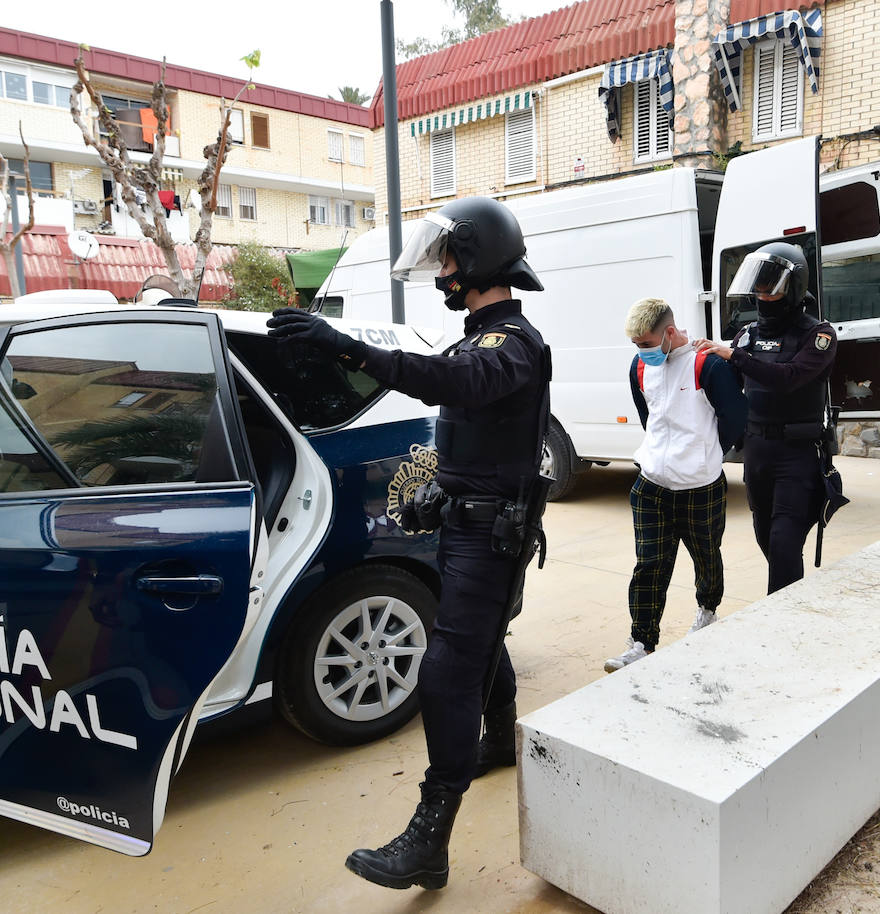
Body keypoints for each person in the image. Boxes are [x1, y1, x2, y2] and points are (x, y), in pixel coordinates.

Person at [266, 196, 548, 891]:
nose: (443, 272)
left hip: (492, 533)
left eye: (450, 259)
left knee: (448, 671)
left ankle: (430, 838)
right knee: (482, 641)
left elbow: (448, 382)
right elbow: (479, 434)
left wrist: (345, 346)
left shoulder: (512, 340)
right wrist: (439, 492)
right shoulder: (480, 336)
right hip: (471, 522)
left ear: (479, 258)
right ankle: (499, 742)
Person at [605, 298, 747, 672]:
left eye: (647, 344)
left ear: (670, 332)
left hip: (700, 486)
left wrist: (707, 454)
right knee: (648, 564)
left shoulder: (708, 365)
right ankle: (641, 641)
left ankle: (707, 610)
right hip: (651, 484)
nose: (642, 352)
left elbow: (735, 419)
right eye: (637, 346)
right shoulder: (640, 366)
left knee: (706, 556)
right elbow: (646, 416)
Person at [697, 242, 836, 595]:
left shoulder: (818, 334)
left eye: (770, 285)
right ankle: (791, 600)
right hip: (757, 453)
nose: (762, 294)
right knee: (766, 538)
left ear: (793, 286)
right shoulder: (748, 335)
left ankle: (781, 618)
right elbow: (729, 387)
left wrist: (735, 356)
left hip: (797, 453)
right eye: (757, 285)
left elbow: (788, 378)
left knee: (784, 541)